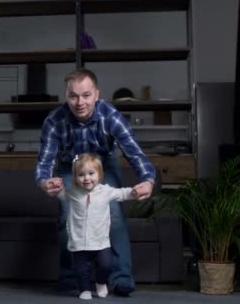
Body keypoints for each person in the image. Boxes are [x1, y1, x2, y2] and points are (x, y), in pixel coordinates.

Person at [35, 68, 155, 296]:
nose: (80, 102)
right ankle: (71, 278)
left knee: (115, 216)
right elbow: (45, 160)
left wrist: (147, 180)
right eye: (73, 96)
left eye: (86, 95)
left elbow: (134, 152)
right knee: (65, 214)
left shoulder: (110, 115)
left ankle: (120, 279)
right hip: (70, 166)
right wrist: (44, 181)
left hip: (103, 165)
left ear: (97, 94)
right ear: (66, 96)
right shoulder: (54, 120)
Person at [52, 153, 138, 300]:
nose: (86, 178)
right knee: (81, 269)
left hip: (101, 240)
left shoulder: (105, 191)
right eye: (81, 175)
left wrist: (134, 192)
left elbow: (122, 193)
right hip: (80, 241)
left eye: (91, 173)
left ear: (100, 174)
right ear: (75, 177)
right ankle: (84, 289)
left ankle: (101, 282)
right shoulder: (72, 192)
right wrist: (55, 185)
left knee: (106, 264)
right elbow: (59, 194)